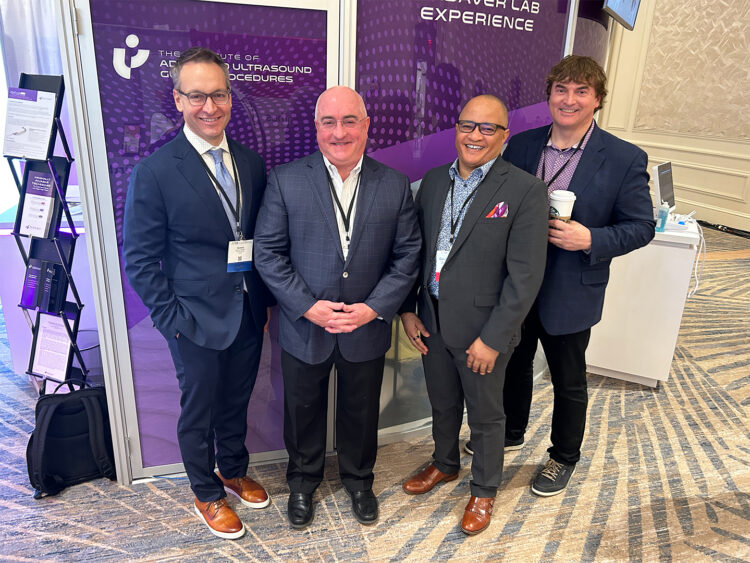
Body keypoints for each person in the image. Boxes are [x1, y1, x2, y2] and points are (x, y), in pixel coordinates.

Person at [253, 86, 421, 529]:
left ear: (366, 127)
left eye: (350, 121)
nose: (339, 132)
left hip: (365, 326)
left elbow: (408, 257)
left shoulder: (395, 184)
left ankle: (359, 481)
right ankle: (303, 482)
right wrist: (308, 307)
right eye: (329, 121)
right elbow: (268, 254)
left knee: (360, 410)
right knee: (301, 409)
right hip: (304, 326)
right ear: (316, 127)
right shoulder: (285, 179)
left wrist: (373, 308)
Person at [123, 47, 273, 540]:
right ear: (178, 100)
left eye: (219, 94)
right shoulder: (157, 170)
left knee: (237, 400)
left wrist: (264, 302)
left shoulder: (251, 163)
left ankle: (232, 469)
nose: (210, 106)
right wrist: (173, 320)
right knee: (199, 407)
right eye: (197, 96)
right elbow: (140, 261)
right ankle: (206, 492)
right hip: (192, 317)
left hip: (247, 309)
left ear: (231, 97)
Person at [501, 55, 655, 497]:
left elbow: (642, 226)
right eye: (561, 90)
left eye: (581, 91)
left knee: (569, 379)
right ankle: (511, 431)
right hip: (516, 283)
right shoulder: (523, 146)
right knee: (513, 363)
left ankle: (563, 456)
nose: (569, 100)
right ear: (549, 95)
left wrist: (589, 239)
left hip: (571, 288)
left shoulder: (623, 158)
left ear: (597, 100)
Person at [400, 94, 548, 535]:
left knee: (485, 417)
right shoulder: (431, 182)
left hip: (483, 332)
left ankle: (483, 490)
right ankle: (444, 463)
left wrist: (495, 338)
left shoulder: (524, 190)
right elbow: (416, 253)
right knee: (443, 404)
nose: (475, 136)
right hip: (432, 320)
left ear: (504, 136)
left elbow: (525, 276)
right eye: (468, 125)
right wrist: (409, 310)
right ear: (456, 129)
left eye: (488, 128)